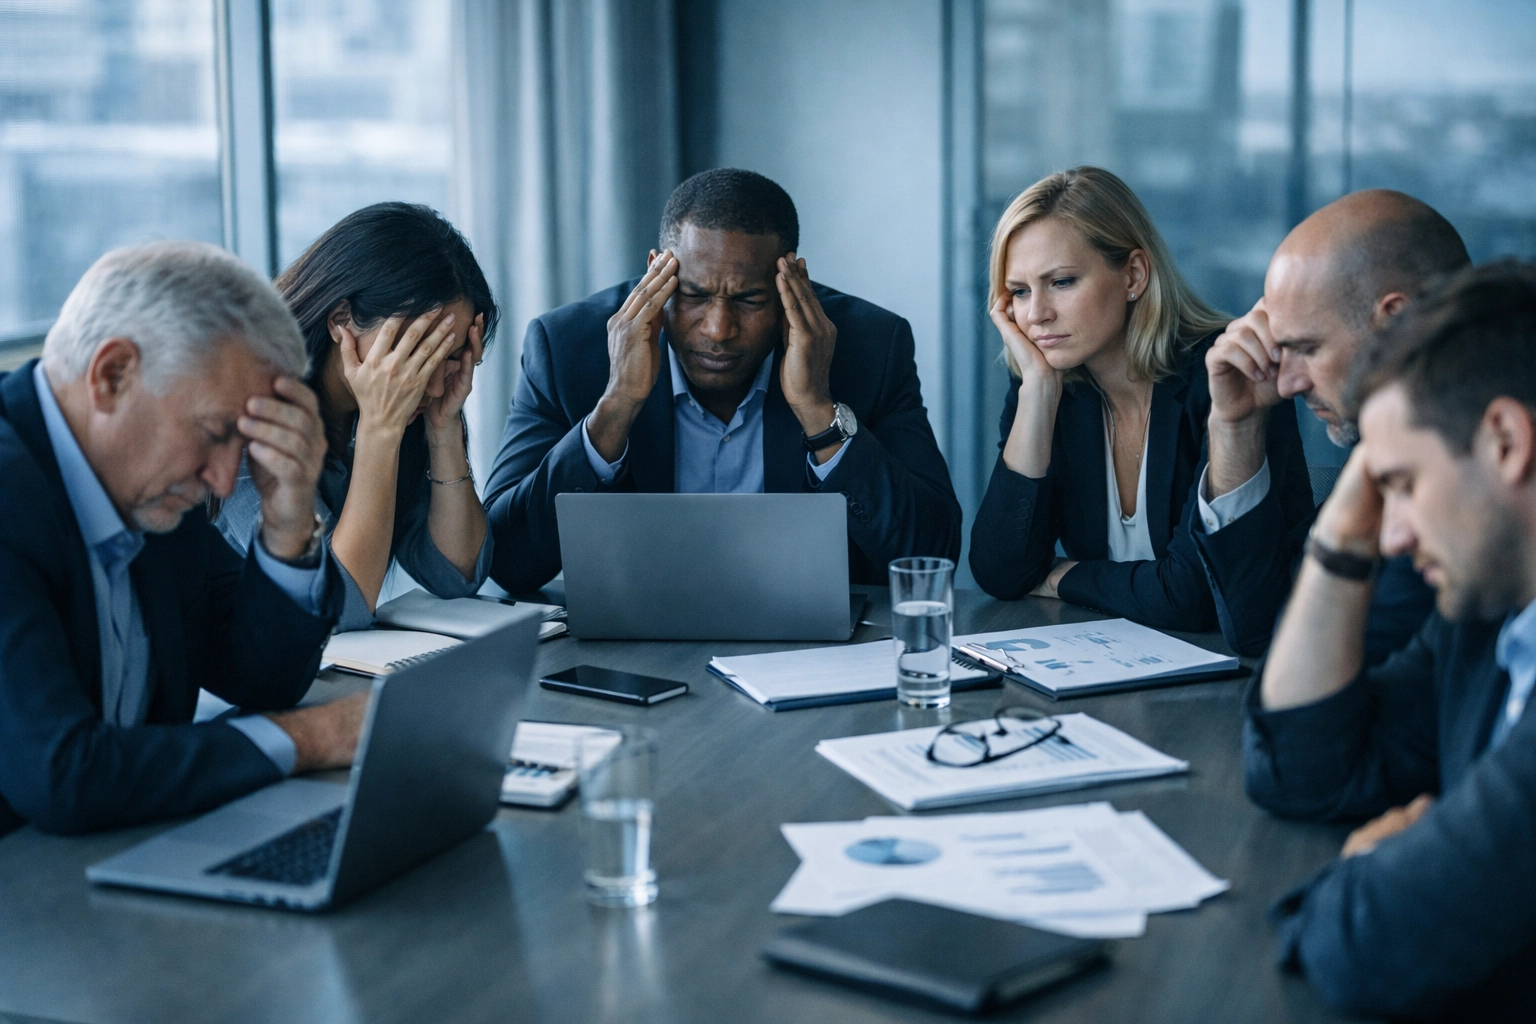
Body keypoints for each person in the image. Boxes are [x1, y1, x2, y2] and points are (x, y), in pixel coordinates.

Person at [0, 241, 366, 837]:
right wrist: (319, 736)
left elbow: (259, 679)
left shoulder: (150, 484)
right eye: (215, 432)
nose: (223, 479)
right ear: (112, 375)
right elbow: (60, 772)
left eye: (241, 445)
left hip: (123, 851)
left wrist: (287, 520)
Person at [1251, 262, 1536, 1019]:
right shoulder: (1488, 623)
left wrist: (1366, 869)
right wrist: (1342, 536)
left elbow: (1364, 942)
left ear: (1506, 440)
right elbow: (1304, 772)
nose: (1396, 533)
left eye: (1402, 483)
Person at [483, 168, 961, 591]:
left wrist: (819, 411)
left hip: (808, 648)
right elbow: (506, 561)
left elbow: (932, 559)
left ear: (792, 282)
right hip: (632, 646)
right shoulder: (566, 349)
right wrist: (616, 406)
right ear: (657, 274)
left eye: (749, 300)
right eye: (693, 294)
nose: (718, 329)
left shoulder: (870, 347)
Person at [968, 166, 1311, 630]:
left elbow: (1195, 596)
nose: (1036, 314)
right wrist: (1038, 394)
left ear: (1133, 274)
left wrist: (1059, 577)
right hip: (1118, 669)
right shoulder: (1047, 387)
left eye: (1062, 282)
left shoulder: (1228, 378)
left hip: (1236, 673)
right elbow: (1001, 572)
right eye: (1019, 292)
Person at [1196, 190, 1468, 656]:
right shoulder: (1382, 454)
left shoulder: (1456, 482)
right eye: (1281, 350)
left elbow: (1299, 661)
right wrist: (1235, 424)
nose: (1286, 385)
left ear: (1397, 322)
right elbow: (1258, 627)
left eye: (1306, 348)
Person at [216, 203, 498, 631]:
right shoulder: (251, 409)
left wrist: (443, 430)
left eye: (453, 357)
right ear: (341, 320)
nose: (435, 383)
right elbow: (336, 606)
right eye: (418, 351)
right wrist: (380, 430)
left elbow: (457, 573)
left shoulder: (412, 408)